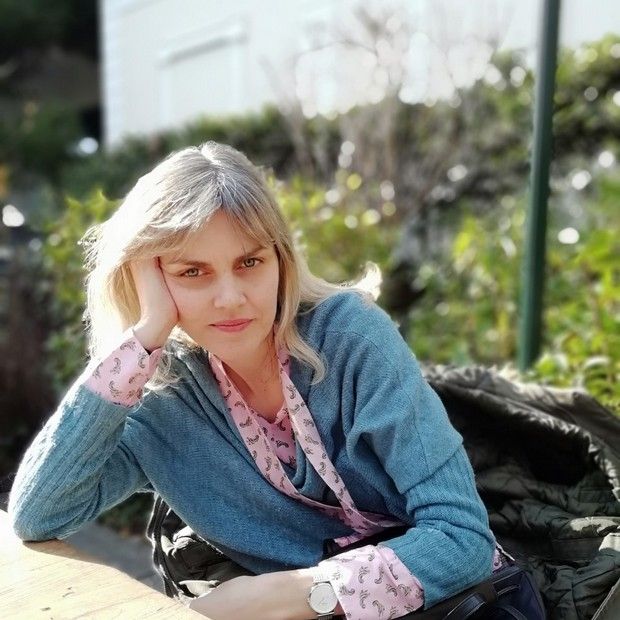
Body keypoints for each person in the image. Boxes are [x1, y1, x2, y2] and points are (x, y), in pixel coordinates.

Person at [8, 142, 506, 620]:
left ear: (281, 260)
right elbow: (40, 514)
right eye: (192, 272)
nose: (230, 297)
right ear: (147, 279)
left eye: (249, 262)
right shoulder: (158, 396)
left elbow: (463, 540)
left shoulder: (352, 340)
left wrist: (287, 596)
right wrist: (145, 333)